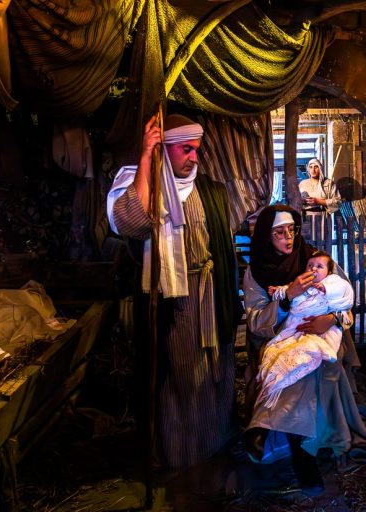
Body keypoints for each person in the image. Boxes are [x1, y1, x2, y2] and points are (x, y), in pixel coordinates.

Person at [106, 113, 238, 468]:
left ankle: (215, 441)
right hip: (173, 297)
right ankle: (182, 454)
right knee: (181, 372)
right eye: (185, 150)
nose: (194, 157)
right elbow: (134, 223)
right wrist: (146, 158)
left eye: (196, 150)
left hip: (211, 293)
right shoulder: (141, 185)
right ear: (164, 149)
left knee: (215, 367)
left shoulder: (211, 190)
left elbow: (222, 247)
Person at [242, 205, 366, 495]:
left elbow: (345, 301)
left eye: (292, 230)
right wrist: (287, 297)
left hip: (324, 334)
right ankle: (303, 454)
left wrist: (331, 319)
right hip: (280, 336)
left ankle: (269, 428)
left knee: (314, 359)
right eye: (279, 232)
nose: (288, 238)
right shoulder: (256, 272)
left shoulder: (316, 259)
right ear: (266, 235)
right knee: (295, 368)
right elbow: (256, 322)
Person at [258, 251, 354, 408]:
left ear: (329, 272)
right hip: (294, 326)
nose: (314, 269)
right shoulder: (300, 282)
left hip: (323, 327)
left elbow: (344, 293)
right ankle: (278, 384)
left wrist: (330, 316)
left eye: (319, 267)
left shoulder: (332, 281)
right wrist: (280, 292)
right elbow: (287, 290)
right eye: (310, 266)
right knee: (278, 351)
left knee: (318, 359)